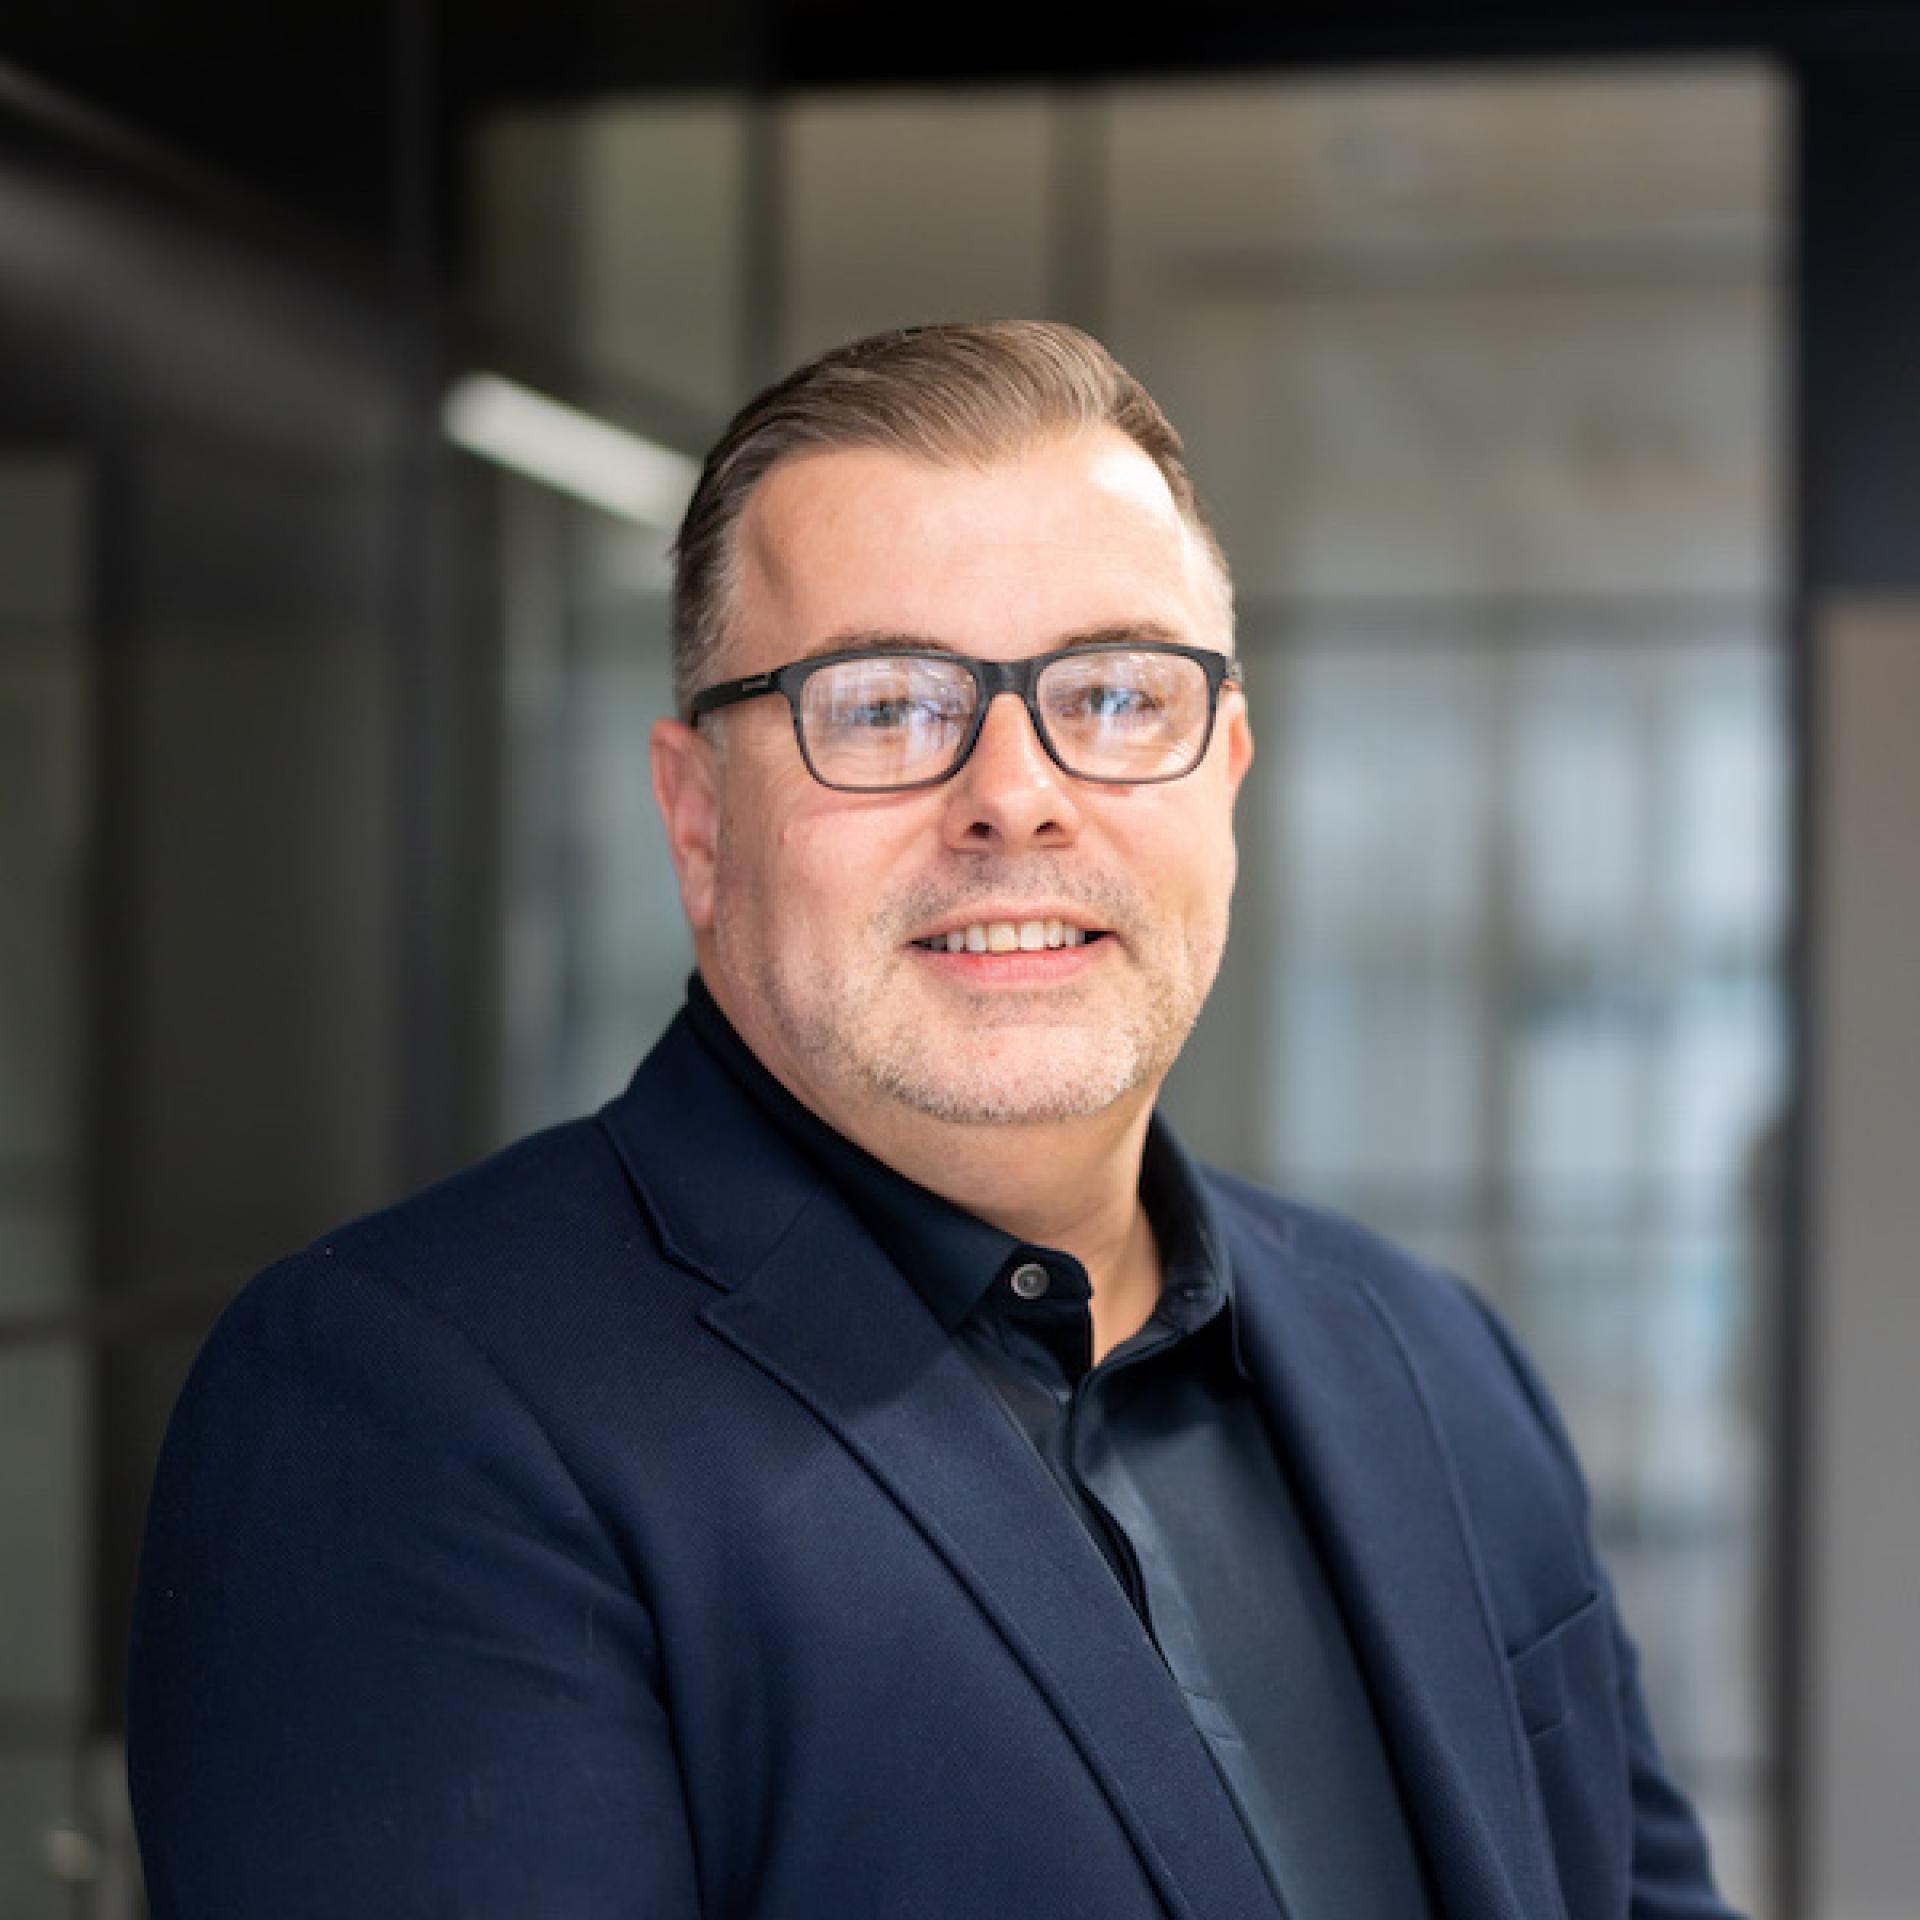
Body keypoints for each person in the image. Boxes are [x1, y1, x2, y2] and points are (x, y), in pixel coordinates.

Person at [128, 320, 1741, 1919]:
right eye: (885, 705)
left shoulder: (1432, 1358)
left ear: (1227, 771)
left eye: (1114, 694)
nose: (1016, 792)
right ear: (698, 821)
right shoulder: (402, 1414)